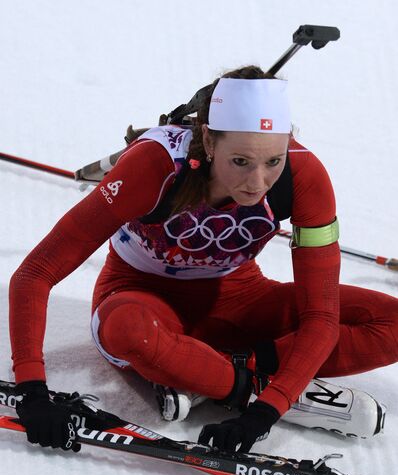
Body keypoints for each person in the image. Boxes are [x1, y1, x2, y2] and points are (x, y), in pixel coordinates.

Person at [9, 65, 398, 454]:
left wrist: (263, 414)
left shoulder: (306, 177)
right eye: (241, 162)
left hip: (239, 296)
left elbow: (321, 316)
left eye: (273, 162)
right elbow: (36, 273)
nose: (258, 182)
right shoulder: (153, 166)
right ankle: (251, 383)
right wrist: (32, 389)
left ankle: (206, 374)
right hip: (142, 297)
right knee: (128, 329)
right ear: (209, 141)